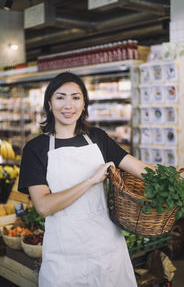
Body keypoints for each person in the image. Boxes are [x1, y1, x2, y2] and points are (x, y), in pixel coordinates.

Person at [18, 72, 154, 287]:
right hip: (65, 254)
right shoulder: (35, 149)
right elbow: (43, 206)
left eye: (76, 97)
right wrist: (90, 181)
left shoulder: (98, 138)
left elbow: (139, 168)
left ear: (84, 104)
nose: (68, 105)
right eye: (60, 97)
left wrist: (174, 177)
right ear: (49, 103)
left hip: (106, 247)